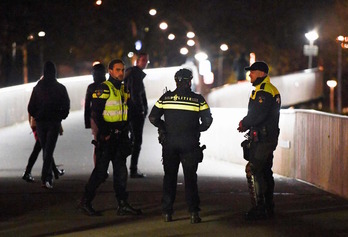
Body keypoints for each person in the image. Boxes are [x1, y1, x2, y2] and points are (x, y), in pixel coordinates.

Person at [148, 68, 213, 224]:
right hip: (190, 143)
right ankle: (193, 213)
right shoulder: (198, 99)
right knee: (190, 179)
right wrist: (195, 129)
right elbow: (207, 121)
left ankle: (167, 213)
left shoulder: (166, 97)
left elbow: (152, 117)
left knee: (169, 178)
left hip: (169, 144)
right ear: (189, 81)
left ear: (176, 81)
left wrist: (164, 126)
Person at [79, 59, 142, 216]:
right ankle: (85, 202)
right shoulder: (103, 89)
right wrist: (105, 133)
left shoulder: (122, 89)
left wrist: (130, 130)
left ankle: (122, 204)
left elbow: (127, 112)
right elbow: (96, 114)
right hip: (108, 139)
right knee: (100, 172)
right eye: (118, 70)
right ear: (111, 71)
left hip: (120, 138)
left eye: (122, 70)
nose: (121, 73)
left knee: (121, 173)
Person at [237, 61, 281, 220]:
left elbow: (258, 115)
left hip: (263, 138)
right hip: (267, 136)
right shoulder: (268, 89)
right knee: (265, 171)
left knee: (254, 169)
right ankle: (269, 206)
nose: (250, 74)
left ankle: (260, 207)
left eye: (253, 72)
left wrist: (244, 123)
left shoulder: (264, 91)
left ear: (262, 73)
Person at [27, 61, 70, 189]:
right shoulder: (60, 88)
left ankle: (47, 177)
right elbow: (66, 105)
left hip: (41, 123)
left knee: (46, 148)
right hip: (54, 122)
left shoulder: (37, 88)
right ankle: (46, 178)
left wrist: (37, 115)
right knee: (49, 149)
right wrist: (61, 116)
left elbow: (31, 107)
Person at [124, 53, 149, 178]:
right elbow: (136, 93)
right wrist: (141, 110)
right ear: (137, 61)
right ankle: (133, 169)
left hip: (128, 110)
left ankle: (125, 165)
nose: (145, 63)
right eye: (143, 60)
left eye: (146, 61)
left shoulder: (130, 74)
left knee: (131, 139)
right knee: (136, 140)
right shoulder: (136, 75)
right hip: (135, 112)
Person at [22, 114, 65, 182]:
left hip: (37, 123)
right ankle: (27, 172)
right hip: (41, 125)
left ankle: (55, 170)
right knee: (42, 149)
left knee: (44, 148)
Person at [84, 63, 106, 166]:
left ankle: (98, 167)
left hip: (94, 118)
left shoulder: (91, 87)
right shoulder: (108, 85)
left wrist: (87, 122)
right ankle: (104, 166)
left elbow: (87, 105)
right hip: (108, 117)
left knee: (97, 143)